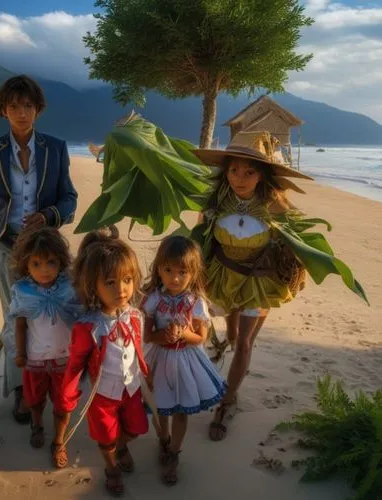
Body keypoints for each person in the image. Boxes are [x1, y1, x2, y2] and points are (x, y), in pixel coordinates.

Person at [77, 115, 367, 442]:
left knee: (243, 342)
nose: (240, 178)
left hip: (259, 282)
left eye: (250, 171)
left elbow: (298, 243)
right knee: (229, 336)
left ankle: (228, 401)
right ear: (225, 171)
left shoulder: (276, 206)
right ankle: (222, 356)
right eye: (234, 170)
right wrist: (126, 142)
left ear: (263, 174)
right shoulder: (216, 200)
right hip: (221, 277)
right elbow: (169, 169)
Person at [0, 75, 78, 423]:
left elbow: (70, 199)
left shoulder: (56, 148)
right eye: (14, 106)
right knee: (14, 318)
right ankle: (21, 392)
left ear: (38, 110)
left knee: (49, 316)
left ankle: (55, 384)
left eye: (28, 106)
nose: (21, 113)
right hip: (4, 246)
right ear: (3, 111)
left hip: (45, 251)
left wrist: (49, 215)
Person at [59, 227, 149, 497]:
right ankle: (111, 467)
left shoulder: (135, 316)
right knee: (105, 437)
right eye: (110, 282)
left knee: (137, 427)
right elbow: (75, 364)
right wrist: (68, 393)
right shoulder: (88, 327)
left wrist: (146, 372)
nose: (121, 289)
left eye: (127, 280)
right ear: (93, 286)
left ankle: (122, 445)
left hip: (131, 389)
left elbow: (138, 349)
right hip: (103, 394)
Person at [141, 235, 226, 486]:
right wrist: (163, 335)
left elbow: (201, 337)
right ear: (159, 268)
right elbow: (147, 335)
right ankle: (163, 441)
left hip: (186, 361)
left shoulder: (196, 302)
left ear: (193, 272)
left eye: (182, 272)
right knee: (161, 407)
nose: (175, 278)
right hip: (160, 359)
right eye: (168, 270)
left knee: (180, 409)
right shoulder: (153, 299)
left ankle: (175, 452)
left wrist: (182, 334)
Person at [8, 226, 82, 468]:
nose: (45, 270)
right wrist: (20, 353)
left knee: (63, 403)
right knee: (35, 400)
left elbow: (81, 321)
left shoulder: (70, 288)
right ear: (26, 265)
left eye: (51, 262)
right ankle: (37, 425)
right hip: (35, 359)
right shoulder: (23, 292)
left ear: (61, 261)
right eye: (37, 264)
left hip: (65, 359)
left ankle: (59, 441)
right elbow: (20, 325)